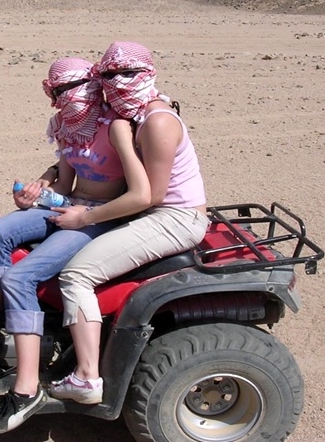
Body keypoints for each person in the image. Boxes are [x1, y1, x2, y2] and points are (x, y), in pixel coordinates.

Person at [0, 57, 151, 435]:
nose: (67, 98)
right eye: (59, 92)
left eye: (74, 88)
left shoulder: (114, 127)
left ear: (92, 85)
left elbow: (138, 192)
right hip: (69, 207)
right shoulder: (69, 128)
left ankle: (27, 388)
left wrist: (84, 215)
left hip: (100, 217)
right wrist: (38, 192)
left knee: (20, 278)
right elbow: (65, 187)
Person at [47, 41, 210, 405]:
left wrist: (84, 217)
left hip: (175, 217)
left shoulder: (157, 121)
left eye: (128, 73)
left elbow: (148, 195)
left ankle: (87, 377)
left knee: (76, 275)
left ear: (148, 73)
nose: (118, 82)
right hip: (152, 213)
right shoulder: (132, 114)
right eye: (108, 74)